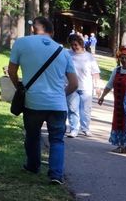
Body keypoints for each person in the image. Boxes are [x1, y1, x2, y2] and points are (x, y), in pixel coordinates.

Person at [7, 16, 78, 184]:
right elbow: (74, 84)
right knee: (57, 140)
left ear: (33, 29)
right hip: (58, 105)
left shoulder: (21, 43)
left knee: (32, 136)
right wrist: (61, 95)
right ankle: (56, 175)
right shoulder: (63, 52)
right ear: (51, 32)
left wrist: (19, 87)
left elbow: (11, 70)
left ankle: (33, 166)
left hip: (33, 101)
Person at [97, 47, 126, 155]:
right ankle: (121, 145)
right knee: (119, 123)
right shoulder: (117, 70)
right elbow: (109, 85)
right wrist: (102, 96)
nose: (124, 60)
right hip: (119, 103)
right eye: (122, 58)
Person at [65, 33, 100, 138]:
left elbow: (95, 73)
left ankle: (85, 128)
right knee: (72, 109)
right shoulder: (67, 54)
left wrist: (97, 87)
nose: (74, 47)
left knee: (85, 110)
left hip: (86, 87)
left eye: (76, 44)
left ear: (81, 44)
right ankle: (74, 129)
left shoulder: (89, 57)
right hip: (71, 86)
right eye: (72, 45)